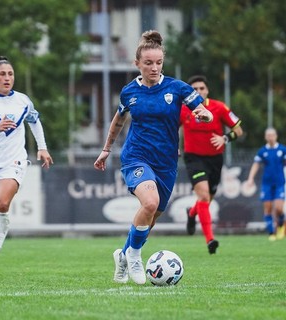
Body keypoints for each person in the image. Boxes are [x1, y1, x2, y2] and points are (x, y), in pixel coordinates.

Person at [94, 31, 213, 285]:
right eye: (148, 63)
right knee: (149, 203)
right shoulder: (129, 92)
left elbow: (200, 108)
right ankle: (135, 255)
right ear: (137, 64)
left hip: (166, 162)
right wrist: (106, 148)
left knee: (151, 216)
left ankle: (123, 255)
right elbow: (118, 120)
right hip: (136, 156)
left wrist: (205, 115)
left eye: (158, 62)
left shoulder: (176, 88)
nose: (154, 68)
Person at [0, 56, 53, 272]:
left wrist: (42, 147)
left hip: (12, 161)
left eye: (11, 74)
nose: (7, 78)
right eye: (3, 74)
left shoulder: (23, 101)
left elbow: (34, 121)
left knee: (2, 205)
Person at [179, 75, 243, 254]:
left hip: (215, 159)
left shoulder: (219, 107)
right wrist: (172, 147)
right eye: (195, 89)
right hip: (193, 158)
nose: (198, 91)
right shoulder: (183, 110)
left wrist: (224, 138)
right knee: (205, 197)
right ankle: (210, 240)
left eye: (201, 88)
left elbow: (238, 129)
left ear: (207, 90)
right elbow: (171, 129)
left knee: (206, 199)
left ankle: (191, 214)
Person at [246, 127, 286, 241]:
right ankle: (271, 233)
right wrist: (250, 178)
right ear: (265, 137)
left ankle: (281, 225)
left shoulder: (282, 149)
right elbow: (256, 164)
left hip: (279, 183)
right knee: (268, 208)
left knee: (278, 208)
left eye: (272, 135)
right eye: (268, 135)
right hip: (266, 184)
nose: (270, 137)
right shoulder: (263, 151)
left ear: (276, 136)